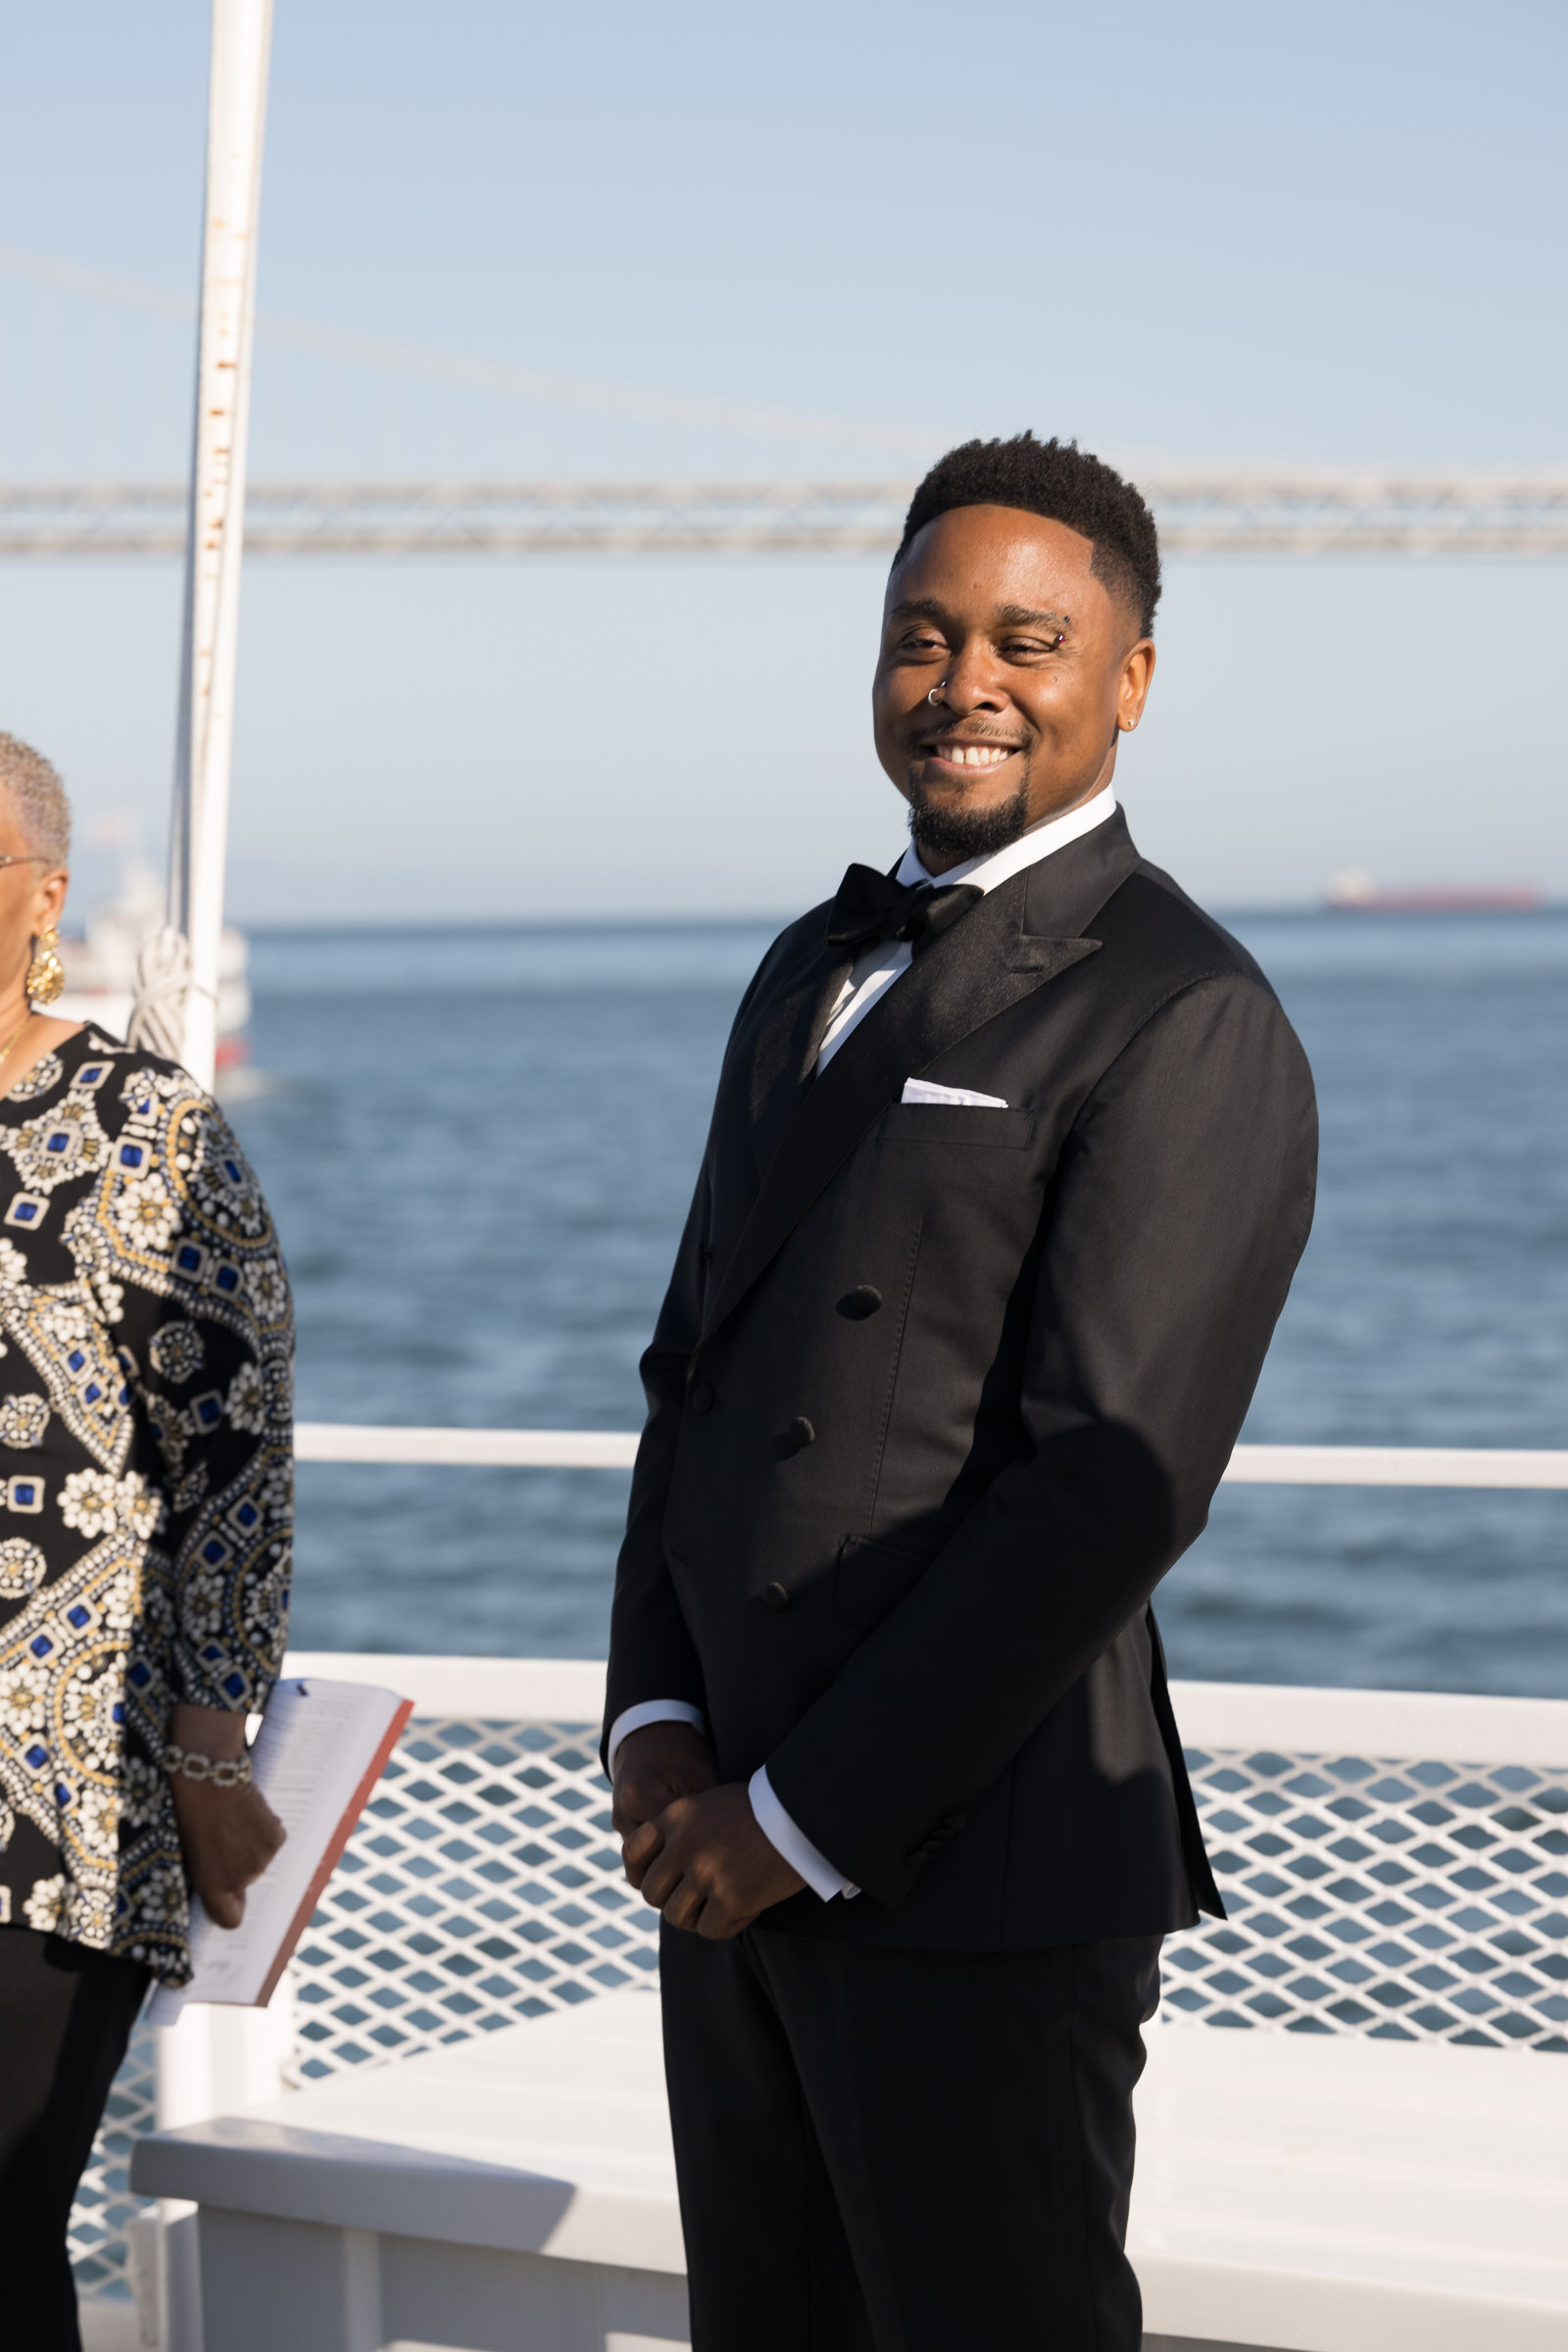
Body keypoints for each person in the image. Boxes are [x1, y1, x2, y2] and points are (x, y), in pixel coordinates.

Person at [604, 436, 1318, 2350]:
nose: (964, 682)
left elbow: (1103, 1488)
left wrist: (800, 1816)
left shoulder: (1181, 1009)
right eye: (921, 636)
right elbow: (692, 1373)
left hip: (962, 1865)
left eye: (1024, 640)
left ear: (1130, 681)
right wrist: (653, 1722)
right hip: (723, 1845)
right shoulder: (801, 969)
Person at [0, 733, 294, 2350]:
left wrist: (206, 1747)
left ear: (44, 896)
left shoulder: (144, 1130)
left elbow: (236, 1464)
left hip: (54, 1797)